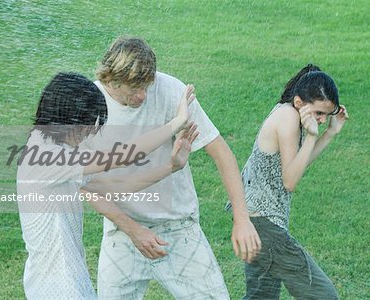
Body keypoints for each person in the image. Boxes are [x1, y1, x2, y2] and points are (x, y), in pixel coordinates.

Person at [89, 36, 261, 299]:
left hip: (178, 227)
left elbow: (222, 154)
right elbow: (87, 186)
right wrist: (134, 231)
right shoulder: (89, 105)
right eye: (135, 89)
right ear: (111, 79)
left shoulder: (170, 91)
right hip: (122, 231)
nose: (143, 96)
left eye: (147, 86)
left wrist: (242, 218)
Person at [17, 71, 197, 299]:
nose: (89, 132)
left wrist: (171, 167)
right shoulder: (45, 156)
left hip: (69, 279)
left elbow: (115, 187)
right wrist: (176, 123)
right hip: (57, 288)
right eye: (85, 125)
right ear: (66, 118)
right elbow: (122, 156)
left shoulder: (54, 150)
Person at [241, 64, 348, 299]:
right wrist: (311, 136)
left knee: (261, 297)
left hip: (255, 222)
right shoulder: (287, 118)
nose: (321, 120)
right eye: (319, 113)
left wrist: (330, 133)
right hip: (265, 226)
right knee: (324, 295)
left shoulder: (288, 113)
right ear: (299, 102)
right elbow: (290, 181)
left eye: (325, 115)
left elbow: (296, 167)